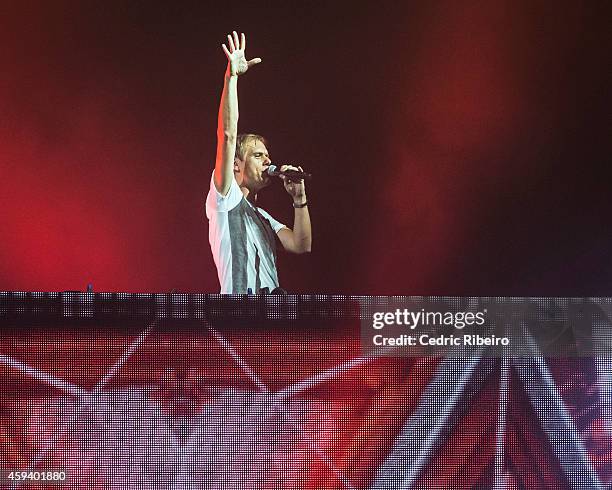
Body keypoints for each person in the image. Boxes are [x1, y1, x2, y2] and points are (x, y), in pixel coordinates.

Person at [206, 31, 312, 294]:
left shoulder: (264, 219)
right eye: (258, 155)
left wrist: (299, 200)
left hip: (272, 320)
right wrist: (231, 78)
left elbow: (301, 245)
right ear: (236, 165)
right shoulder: (224, 198)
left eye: (267, 155)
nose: (268, 160)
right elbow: (228, 135)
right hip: (238, 316)